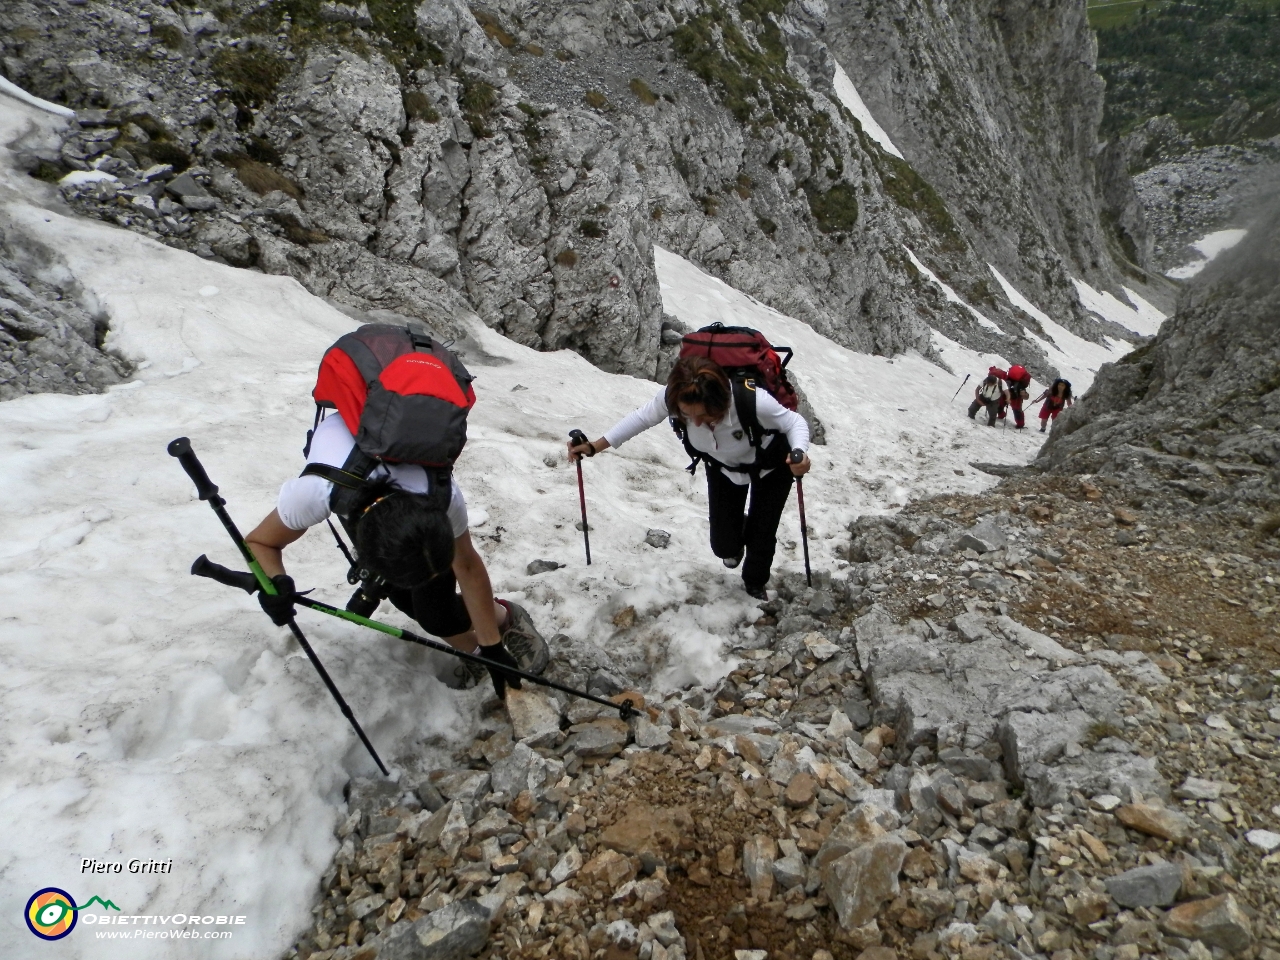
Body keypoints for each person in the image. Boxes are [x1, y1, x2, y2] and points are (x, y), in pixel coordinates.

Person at [243, 410, 548, 699]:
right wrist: (276, 583)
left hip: (399, 498)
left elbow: (466, 564)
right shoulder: (315, 492)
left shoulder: (440, 494)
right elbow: (260, 542)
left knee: (436, 615)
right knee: (404, 599)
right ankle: (475, 656)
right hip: (354, 482)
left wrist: (492, 642)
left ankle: (505, 619)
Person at [568, 355, 810, 600]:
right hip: (723, 467)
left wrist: (798, 453)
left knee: (763, 534)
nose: (695, 422)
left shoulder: (753, 401)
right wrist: (594, 447)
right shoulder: (674, 396)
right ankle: (741, 528)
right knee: (723, 546)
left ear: (721, 402)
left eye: (704, 416)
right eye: (687, 415)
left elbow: (794, 422)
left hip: (772, 466)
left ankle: (754, 585)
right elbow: (641, 418)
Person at [998, 364, 1032, 429]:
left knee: (1000, 404)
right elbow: (1026, 396)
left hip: (1005, 394)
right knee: (1017, 410)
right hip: (1016, 397)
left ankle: (1001, 415)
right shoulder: (1021, 384)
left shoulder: (1007, 378)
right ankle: (1020, 424)